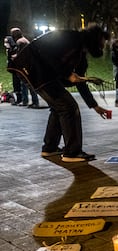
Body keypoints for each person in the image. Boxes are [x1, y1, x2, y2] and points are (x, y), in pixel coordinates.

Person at [7, 24, 110, 162]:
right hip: (33, 69)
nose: (104, 45)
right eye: (103, 41)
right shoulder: (72, 38)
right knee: (69, 107)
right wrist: (68, 74)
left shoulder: (81, 55)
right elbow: (47, 53)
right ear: (95, 39)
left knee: (59, 107)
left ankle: (50, 148)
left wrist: (94, 106)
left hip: (42, 73)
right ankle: (72, 153)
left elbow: (79, 81)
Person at [10, 27, 40, 108]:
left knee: (26, 84)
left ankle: (29, 101)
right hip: (29, 65)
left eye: (12, 34)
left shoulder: (20, 41)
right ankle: (31, 101)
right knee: (27, 84)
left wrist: (14, 57)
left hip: (26, 66)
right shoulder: (24, 40)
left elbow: (22, 54)